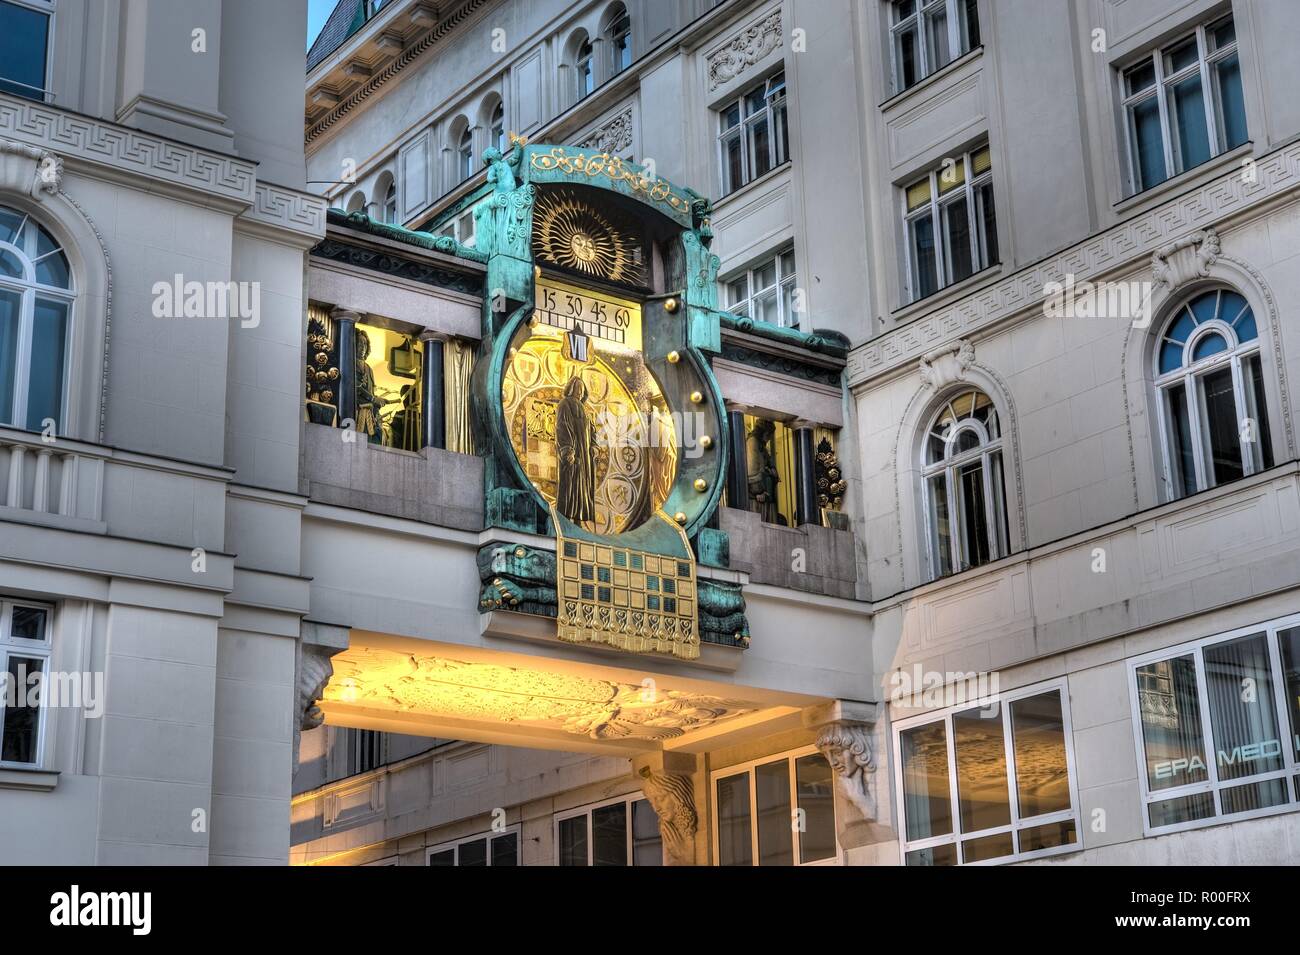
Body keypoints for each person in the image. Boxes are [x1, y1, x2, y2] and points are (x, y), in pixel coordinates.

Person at [555, 376, 597, 525]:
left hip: (585, 457)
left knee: (583, 487)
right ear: (571, 388)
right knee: (570, 485)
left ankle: (578, 520)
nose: (580, 391)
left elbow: (593, 431)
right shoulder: (565, 404)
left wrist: (594, 446)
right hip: (573, 454)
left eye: (582, 389)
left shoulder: (585, 411)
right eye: (578, 388)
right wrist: (567, 450)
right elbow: (563, 426)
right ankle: (565, 519)